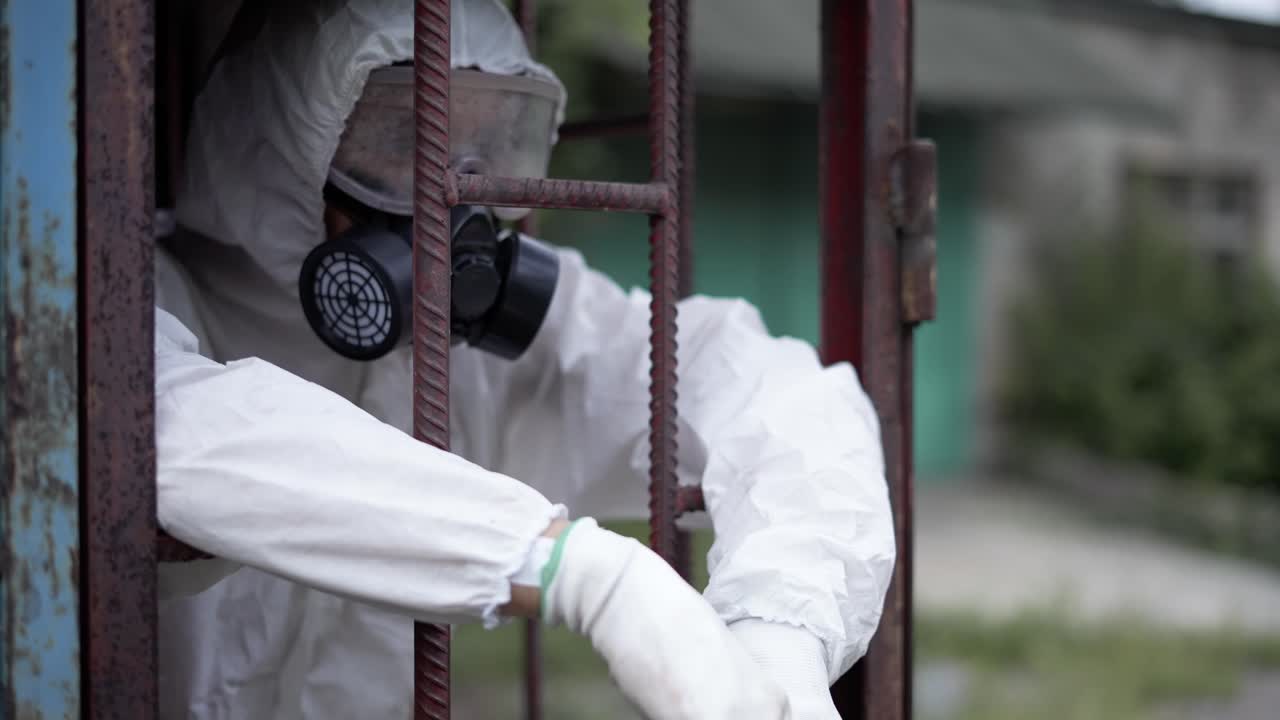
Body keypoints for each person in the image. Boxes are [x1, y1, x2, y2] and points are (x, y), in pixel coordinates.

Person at [154, 0, 895, 718]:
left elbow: (769, 388)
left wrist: (782, 628)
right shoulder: (144, 298)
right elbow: (175, 432)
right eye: (404, 137)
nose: (456, 188)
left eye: (494, 139)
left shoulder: (476, 352)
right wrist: (577, 573)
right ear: (283, 142)